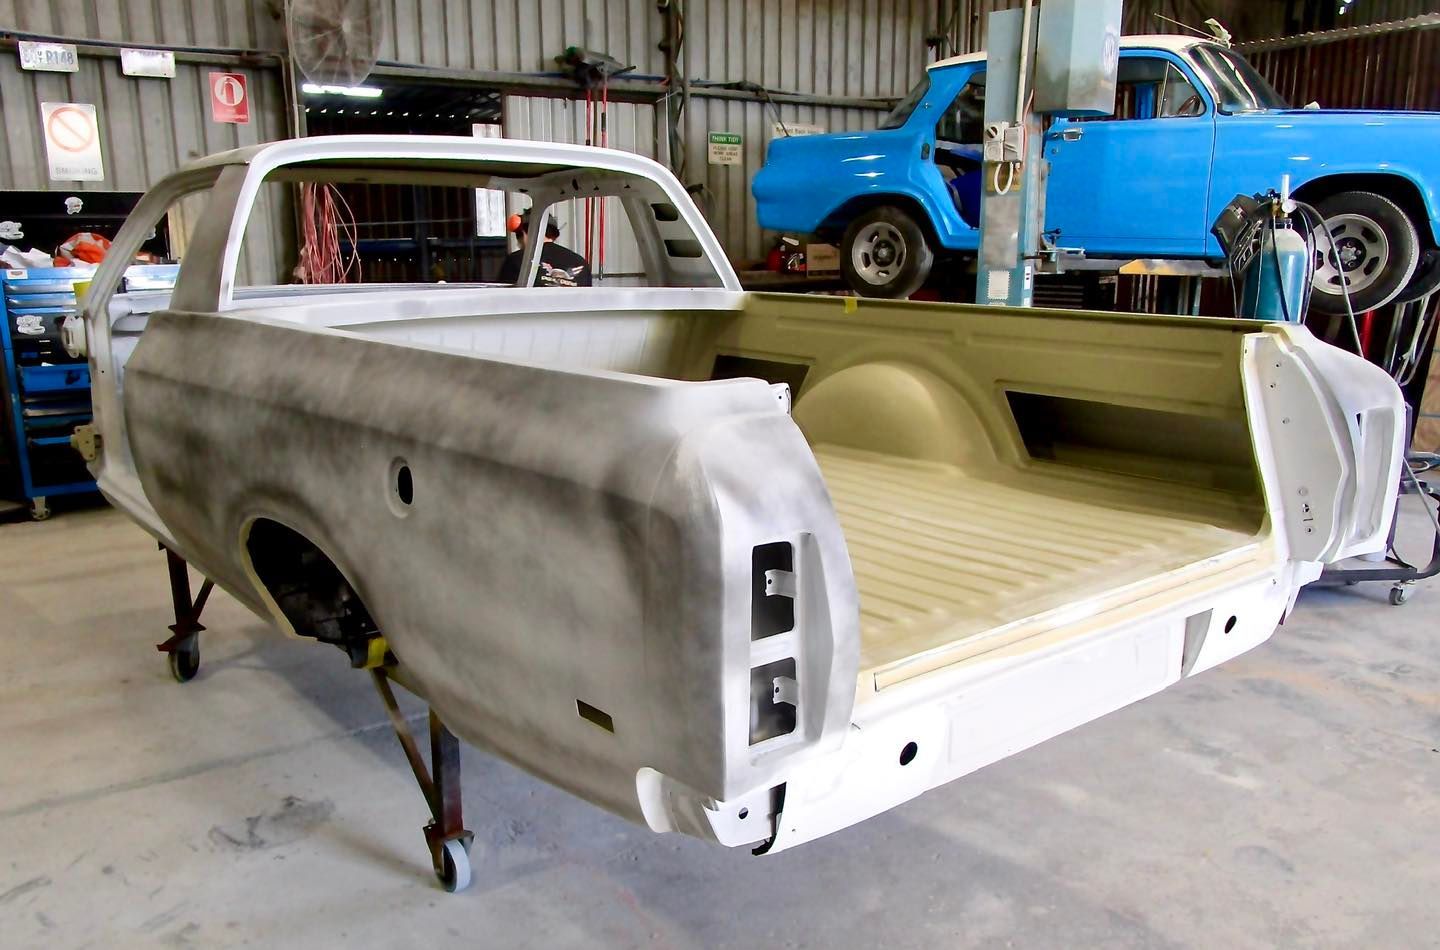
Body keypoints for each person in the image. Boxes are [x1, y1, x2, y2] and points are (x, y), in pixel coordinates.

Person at [496, 210, 592, 287]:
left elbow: (502, 300)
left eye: (518, 236)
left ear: (525, 233)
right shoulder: (581, 262)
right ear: (554, 236)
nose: (518, 244)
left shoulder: (516, 260)